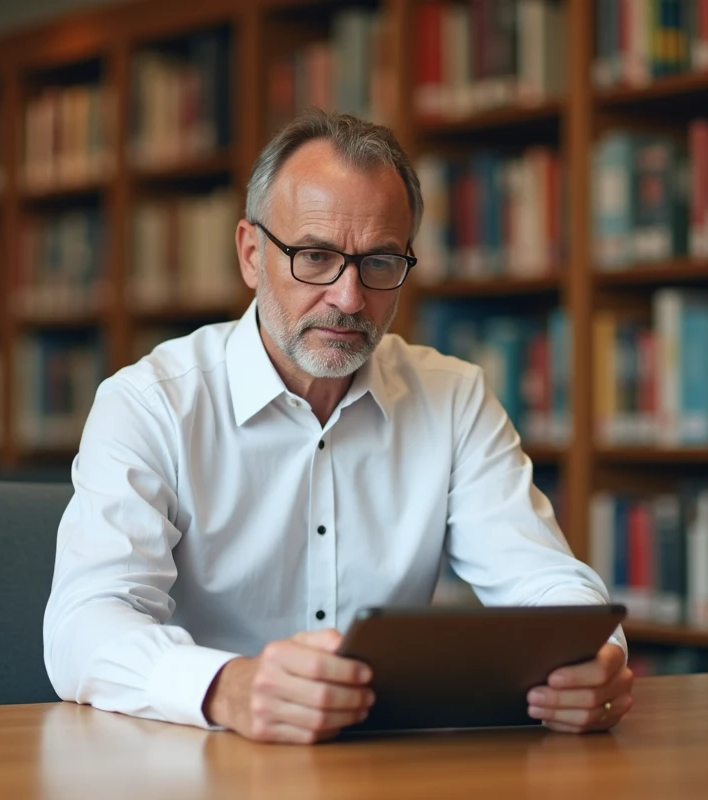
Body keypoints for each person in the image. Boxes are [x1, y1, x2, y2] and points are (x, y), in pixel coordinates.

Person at [44, 109, 632, 744]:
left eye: (380, 262)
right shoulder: (151, 403)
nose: (349, 298)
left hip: (385, 765)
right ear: (250, 253)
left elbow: (541, 579)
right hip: (199, 760)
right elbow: (85, 624)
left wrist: (593, 659)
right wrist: (230, 688)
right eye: (315, 257)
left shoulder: (452, 396)